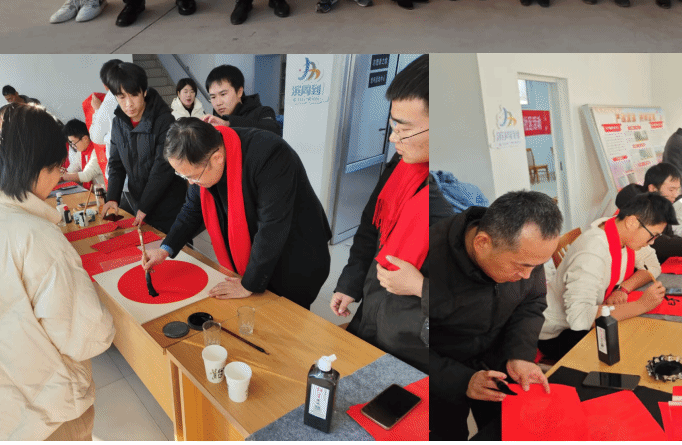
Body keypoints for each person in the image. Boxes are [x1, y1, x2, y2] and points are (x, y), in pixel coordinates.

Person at [0, 103, 116, 440]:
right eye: (56, 168)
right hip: (37, 415)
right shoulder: (36, 236)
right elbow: (86, 337)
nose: (57, 178)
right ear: (33, 167)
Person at [144, 117, 332, 307]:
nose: (191, 182)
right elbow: (192, 210)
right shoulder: (202, 154)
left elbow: (272, 226)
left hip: (294, 256)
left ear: (217, 158)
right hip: (258, 254)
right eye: (183, 176)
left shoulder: (270, 154)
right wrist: (164, 249)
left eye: (192, 176)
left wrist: (249, 283)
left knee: (285, 317)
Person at [429, 190, 562, 441]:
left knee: (506, 429)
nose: (527, 276)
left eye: (537, 266)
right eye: (521, 266)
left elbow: (531, 302)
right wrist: (461, 381)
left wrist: (519, 354)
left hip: (496, 361)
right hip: (440, 371)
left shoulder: (527, 253)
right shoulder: (428, 257)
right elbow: (405, 341)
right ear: (482, 243)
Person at [331, 55, 430, 371]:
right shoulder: (401, 166)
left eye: (404, 129)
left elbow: (480, 303)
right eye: (393, 126)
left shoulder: (466, 200)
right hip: (374, 313)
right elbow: (370, 228)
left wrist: (421, 287)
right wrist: (350, 283)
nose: (392, 138)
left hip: (415, 344)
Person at [538, 193, 673, 360]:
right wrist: (641, 305)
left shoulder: (618, 232)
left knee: (645, 334)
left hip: (587, 316)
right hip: (560, 333)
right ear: (632, 222)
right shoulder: (593, 250)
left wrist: (624, 289)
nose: (652, 242)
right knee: (636, 348)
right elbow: (581, 318)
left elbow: (652, 265)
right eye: (653, 235)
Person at [99, 61, 184, 234]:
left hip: (167, 205)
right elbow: (116, 164)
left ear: (144, 92)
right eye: (121, 97)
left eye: (133, 95)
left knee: (172, 246)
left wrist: (144, 206)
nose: (128, 104)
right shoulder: (118, 123)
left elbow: (162, 168)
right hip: (140, 203)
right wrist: (113, 197)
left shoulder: (165, 121)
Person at [202, 63, 280, 134]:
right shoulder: (213, 121)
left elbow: (272, 131)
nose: (218, 103)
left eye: (223, 94)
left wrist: (228, 123)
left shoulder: (263, 112)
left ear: (239, 92)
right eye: (213, 97)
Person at [61, 119, 105, 190]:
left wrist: (62, 176)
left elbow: (86, 175)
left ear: (85, 138)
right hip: (91, 192)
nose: (72, 146)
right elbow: (72, 169)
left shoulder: (98, 151)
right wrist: (62, 173)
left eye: (74, 142)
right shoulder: (81, 152)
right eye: (70, 143)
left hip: (104, 193)